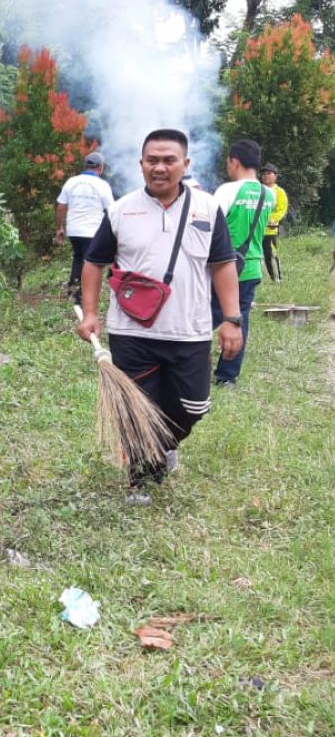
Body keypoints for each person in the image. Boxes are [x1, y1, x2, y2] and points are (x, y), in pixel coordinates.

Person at [77, 129, 243, 505]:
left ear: (185, 164)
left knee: (193, 406)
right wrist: (90, 312)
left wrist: (232, 319)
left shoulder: (208, 208)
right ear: (141, 165)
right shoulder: (121, 210)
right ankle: (142, 479)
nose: (160, 167)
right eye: (152, 160)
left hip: (191, 330)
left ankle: (161, 448)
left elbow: (222, 267)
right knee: (138, 410)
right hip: (131, 330)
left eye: (169, 160)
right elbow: (93, 262)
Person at [210, 139, 274, 387]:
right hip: (251, 266)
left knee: (205, 316)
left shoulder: (228, 190)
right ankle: (227, 377)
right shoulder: (267, 193)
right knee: (239, 319)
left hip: (224, 267)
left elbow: (211, 227)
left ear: (234, 161)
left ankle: (187, 363)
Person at [54, 151, 115, 301]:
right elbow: (111, 210)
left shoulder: (71, 181)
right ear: (100, 168)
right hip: (92, 230)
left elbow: (61, 206)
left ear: (86, 165)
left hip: (74, 230)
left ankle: (73, 289)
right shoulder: (102, 185)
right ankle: (84, 294)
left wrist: (59, 228)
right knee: (91, 261)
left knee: (79, 257)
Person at [260, 163, 287, 282]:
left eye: (269, 173)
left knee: (270, 253)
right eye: (264, 174)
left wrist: (273, 218)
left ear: (275, 176)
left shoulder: (279, 192)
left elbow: (282, 209)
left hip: (271, 229)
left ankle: (277, 278)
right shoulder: (257, 190)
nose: (266, 176)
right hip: (256, 228)